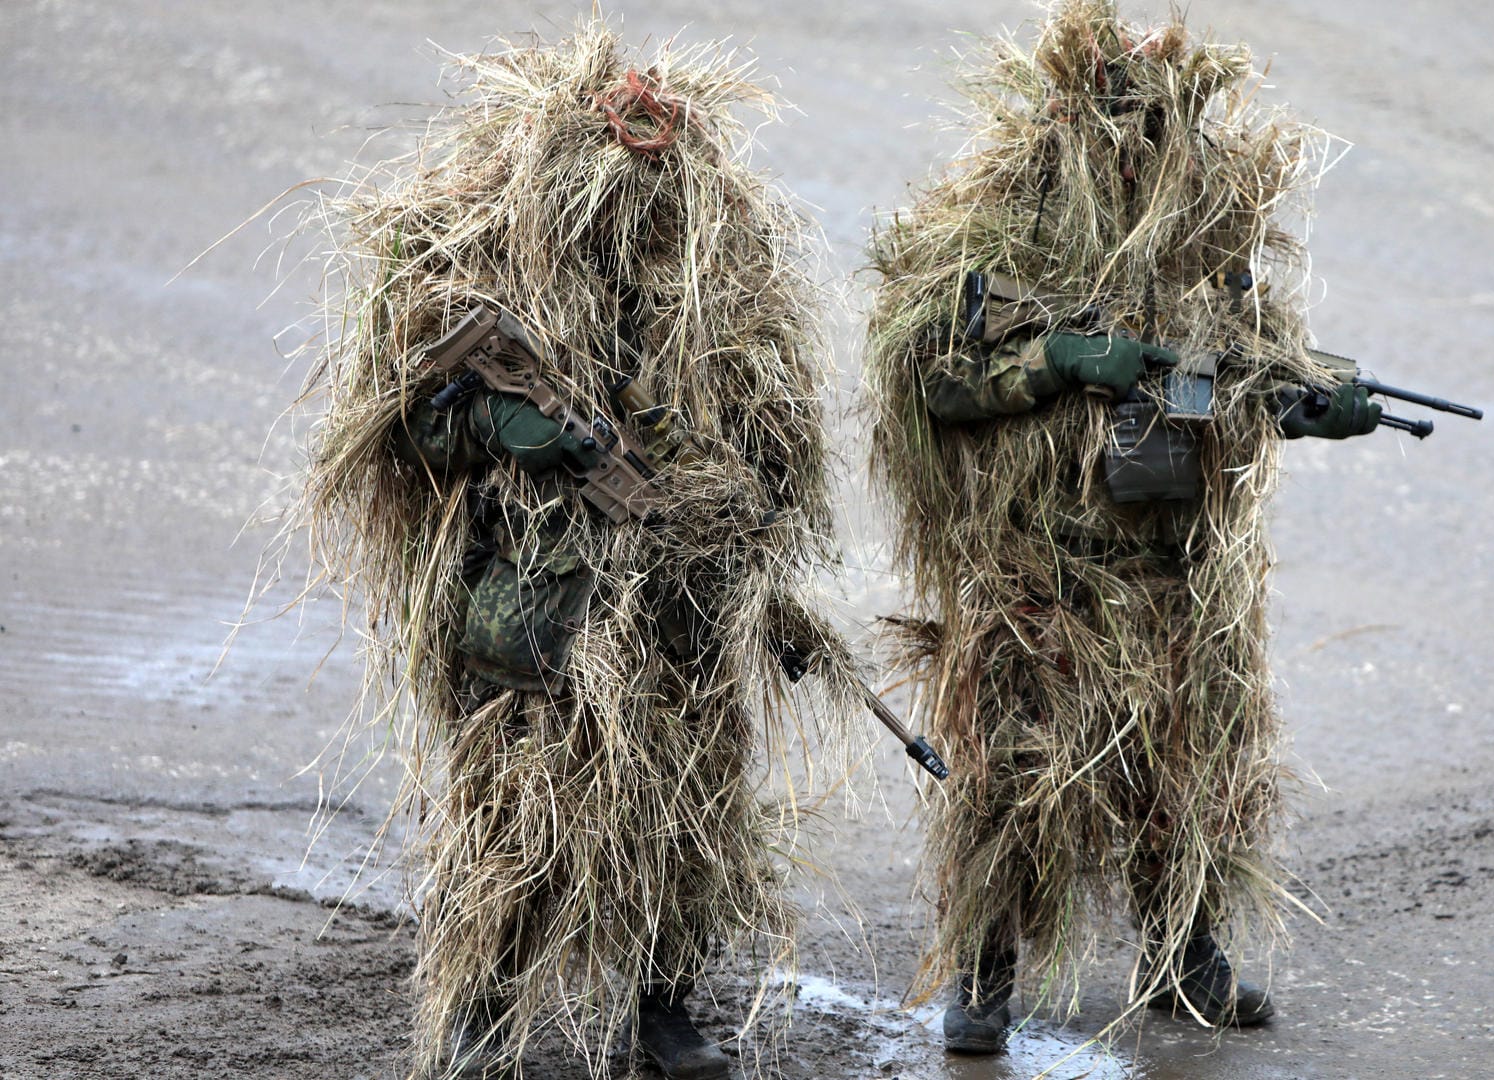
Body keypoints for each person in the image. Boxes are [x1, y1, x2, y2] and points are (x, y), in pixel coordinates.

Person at [294, 23, 848, 1079]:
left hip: (682, 596)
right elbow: (403, 429)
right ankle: (485, 1006)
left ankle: (664, 1008)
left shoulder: (722, 287)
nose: (640, 201)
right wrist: (502, 433)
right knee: (522, 813)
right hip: (541, 600)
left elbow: (779, 449)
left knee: (690, 814)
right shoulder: (496, 274)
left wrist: (745, 531)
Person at [863, 0, 1379, 1053]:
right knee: (1012, 780)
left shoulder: (1209, 239)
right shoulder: (998, 221)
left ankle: (1183, 956)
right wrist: (1049, 365)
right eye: (1126, 121)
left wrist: (1317, 405)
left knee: (1183, 777)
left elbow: (1256, 370)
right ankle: (986, 973)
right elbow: (930, 385)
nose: (1145, 145)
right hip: (1037, 568)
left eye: (1162, 125)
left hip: (1174, 569)